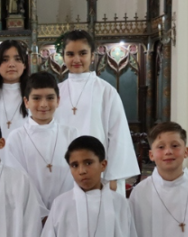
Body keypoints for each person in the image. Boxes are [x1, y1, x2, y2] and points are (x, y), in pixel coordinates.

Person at [31, 136, 146, 237]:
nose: (82, 171)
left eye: (88, 163)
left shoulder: (120, 205)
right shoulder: (61, 205)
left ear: (103, 164)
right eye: (74, 165)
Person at [53, 30, 138, 195]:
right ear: (63, 57)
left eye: (82, 53)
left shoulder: (106, 91)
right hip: (63, 170)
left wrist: (114, 176)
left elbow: (118, 134)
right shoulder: (56, 92)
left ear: (92, 55)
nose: (76, 59)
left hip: (99, 170)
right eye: (70, 54)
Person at [5, 72, 78, 214]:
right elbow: (17, 181)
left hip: (67, 211)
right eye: (36, 98)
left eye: (50, 98)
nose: (43, 104)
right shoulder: (16, 138)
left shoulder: (71, 134)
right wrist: (41, 214)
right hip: (30, 213)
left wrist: (61, 209)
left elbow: (73, 177)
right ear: (26, 102)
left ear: (58, 100)